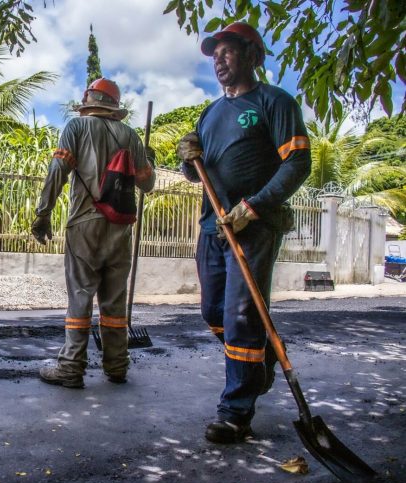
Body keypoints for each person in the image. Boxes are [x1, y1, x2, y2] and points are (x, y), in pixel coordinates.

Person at [176, 22, 311, 443]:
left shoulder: (275, 102)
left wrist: (251, 207)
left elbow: (297, 164)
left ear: (253, 55)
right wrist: (186, 159)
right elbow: (199, 173)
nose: (218, 58)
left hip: (253, 228)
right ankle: (262, 359)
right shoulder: (210, 112)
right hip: (211, 227)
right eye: (214, 53)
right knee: (213, 313)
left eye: (228, 51)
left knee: (240, 316)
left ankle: (235, 411)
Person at [31, 78, 156, 388]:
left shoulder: (77, 127)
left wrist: (43, 214)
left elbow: (58, 171)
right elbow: (147, 183)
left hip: (84, 225)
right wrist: (148, 159)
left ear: (89, 102)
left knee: (80, 295)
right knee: (114, 301)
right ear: (114, 107)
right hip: (120, 228)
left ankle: (71, 367)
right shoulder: (130, 136)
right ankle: (117, 366)